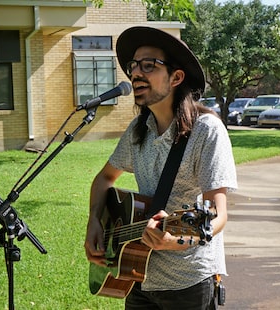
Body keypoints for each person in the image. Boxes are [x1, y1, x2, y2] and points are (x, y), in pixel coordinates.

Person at [84, 26, 238, 310]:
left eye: (148, 65)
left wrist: (173, 241)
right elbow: (105, 178)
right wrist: (95, 220)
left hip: (188, 282)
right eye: (133, 66)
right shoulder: (138, 130)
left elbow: (218, 214)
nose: (135, 74)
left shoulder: (207, 131)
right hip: (137, 276)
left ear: (176, 77)